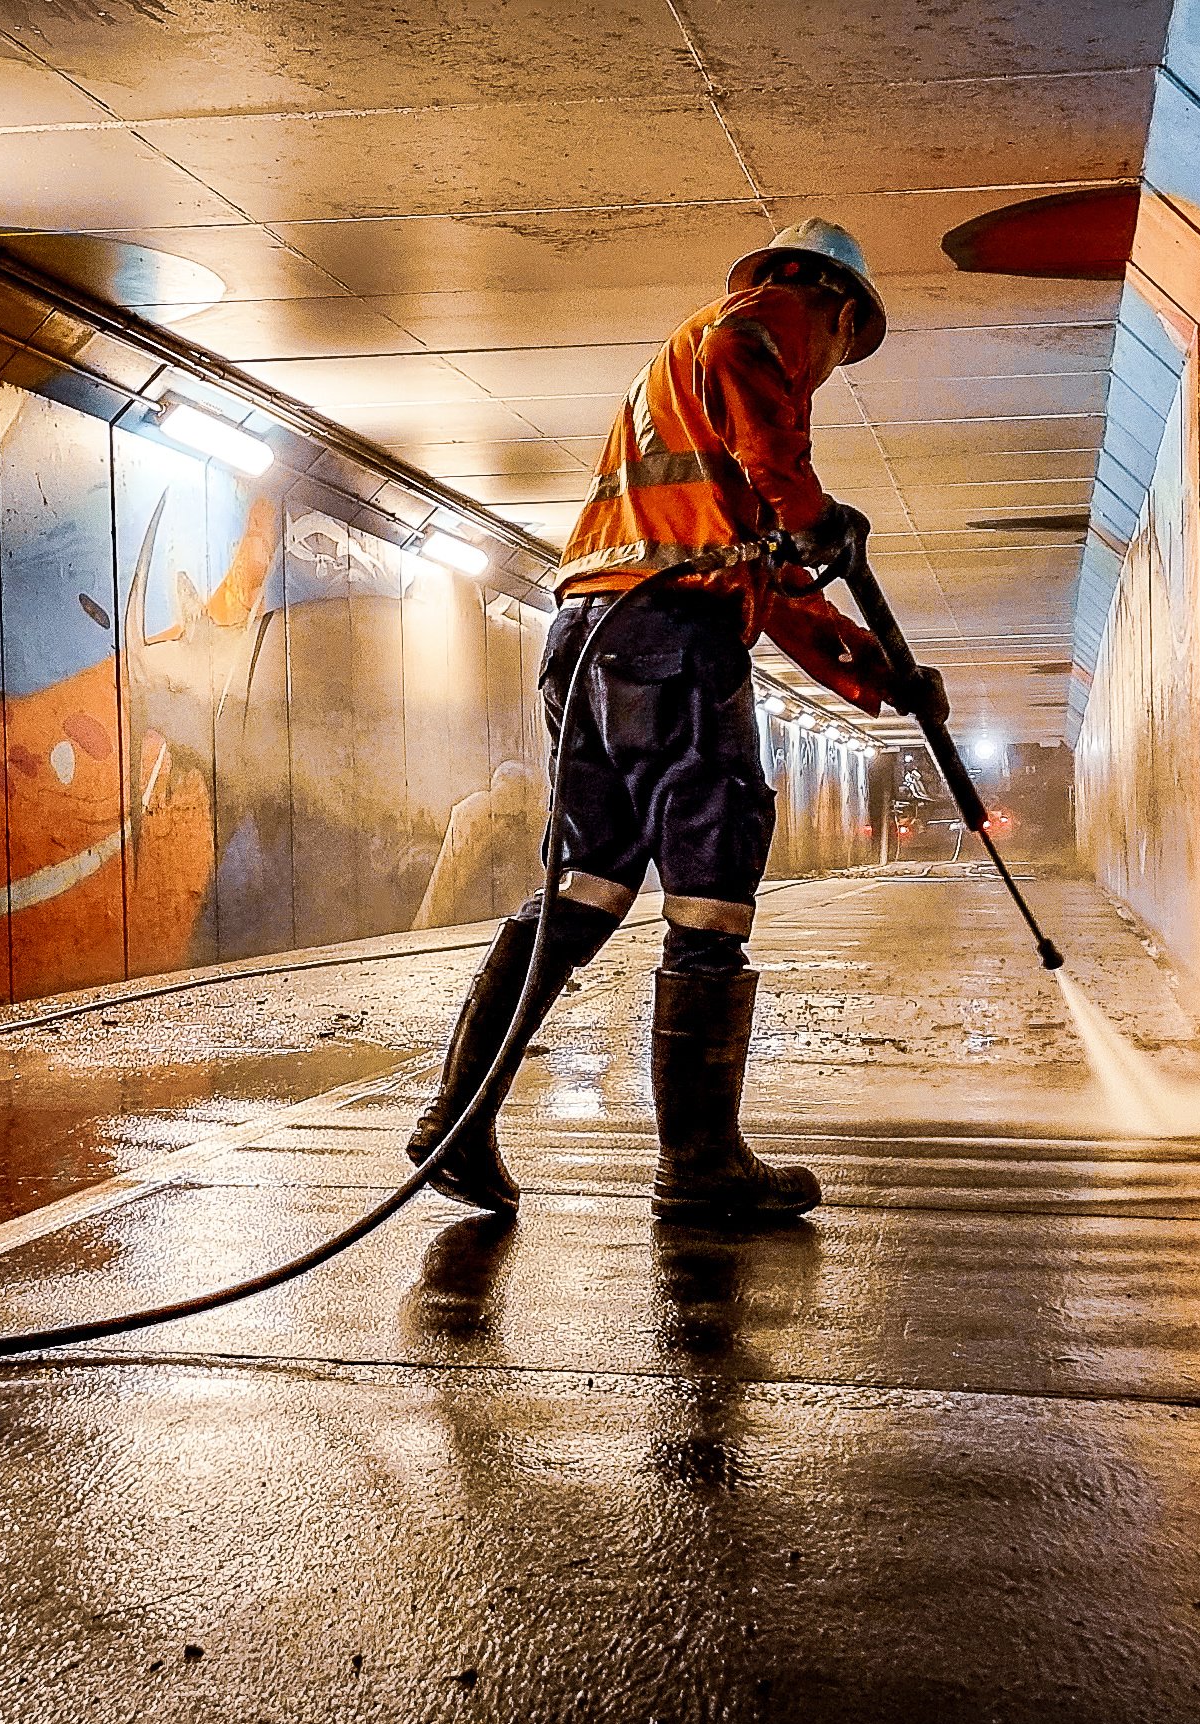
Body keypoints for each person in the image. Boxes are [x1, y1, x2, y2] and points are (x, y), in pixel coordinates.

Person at [405, 219, 949, 1221]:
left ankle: (455, 1121)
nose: (826, 366)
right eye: (842, 346)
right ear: (835, 309)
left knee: (586, 887)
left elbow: (779, 588)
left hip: (591, 634)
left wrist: (884, 680)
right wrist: (811, 502)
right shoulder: (766, 315)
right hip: (669, 639)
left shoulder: (692, 437)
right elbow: (759, 387)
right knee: (711, 888)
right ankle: (699, 1162)